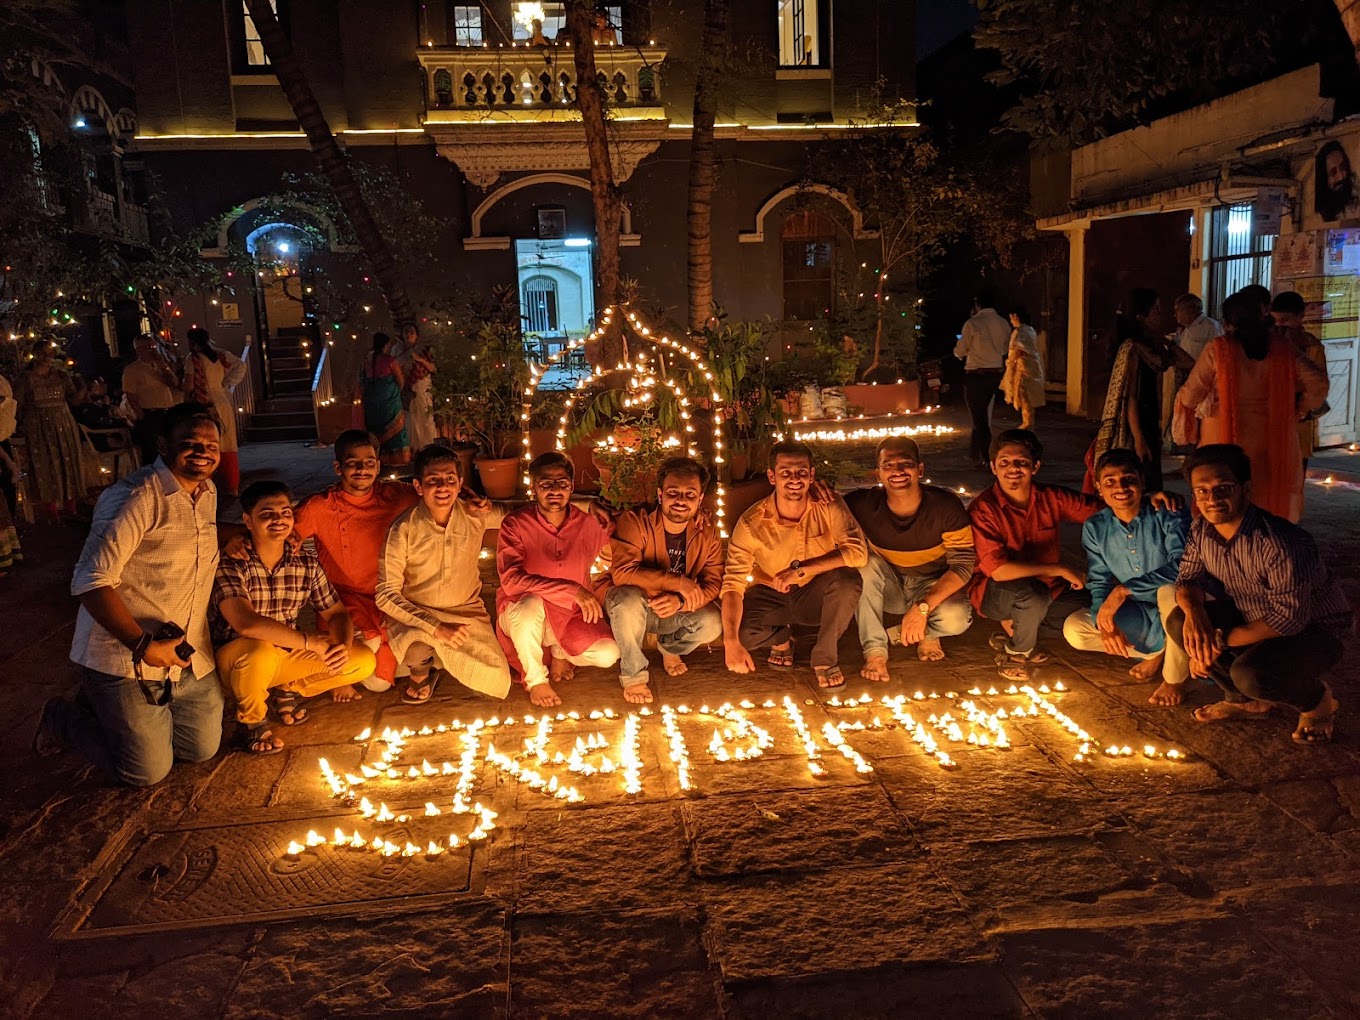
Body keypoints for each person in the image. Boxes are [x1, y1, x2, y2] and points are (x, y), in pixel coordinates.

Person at [34, 403, 225, 786]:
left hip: (186, 655)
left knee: (199, 749)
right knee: (145, 771)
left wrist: (234, 534)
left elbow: (188, 537)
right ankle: (65, 717)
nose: (203, 452)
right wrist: (142, 644)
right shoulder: (135, 496)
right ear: (163, 445)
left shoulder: (206, 492)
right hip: (125, 657)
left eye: (211, 445)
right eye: (190, 443)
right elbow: (90, 579)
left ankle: (126, 717)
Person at [1169, 444, 1353, 743]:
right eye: (1201, 491)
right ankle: (1244, 701)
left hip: (1316, 630)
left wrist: (1214, 641)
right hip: (1252, 613)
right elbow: (1188, 578)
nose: (1211, 500)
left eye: (1223, 488)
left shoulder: (1280, 541)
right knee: (1180, 621)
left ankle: (1317, 702)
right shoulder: (1202, 528)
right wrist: (1194, 615)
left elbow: (1289, 620)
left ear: (1245, 489)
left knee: (1251, 673)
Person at [212, 481, 375, 753]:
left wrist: (342, 649)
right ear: (247, 521)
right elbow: (246, 623)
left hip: (287, 654)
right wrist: (312, 643)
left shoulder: (305, 563)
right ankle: (251, 723)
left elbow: (336, 613)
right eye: (267, 513)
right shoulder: (231, 563)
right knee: (258, 652)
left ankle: (287, 687)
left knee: (362, 660)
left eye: (286, 512)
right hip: (238, 660)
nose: (279, 519)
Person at [721, 440, 867, 689]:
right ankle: (781, 639)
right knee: (742, 634)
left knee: (847, 581)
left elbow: (858, 553)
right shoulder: (750, 522)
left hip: (814, 594)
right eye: (785, 472)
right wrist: (730, 642)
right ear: (772, 476)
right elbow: (733, 584)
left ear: (811, 475)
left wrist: (800, 570)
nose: (794, 479)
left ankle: (824, 658)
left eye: (801, 472)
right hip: (773, 593)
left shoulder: (828, 505)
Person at [1174, 290, 1329, 522]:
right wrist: (1298, 410)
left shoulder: (1219, 349)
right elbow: (1318, 383)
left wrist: (1185, 425)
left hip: (1222, 438)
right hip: (1271, 437)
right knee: (1265, 495)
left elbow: (1190, 395)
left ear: (1227, 323)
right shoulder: (1282, 348)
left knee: (1225, 494)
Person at [376, 444, 513, 704]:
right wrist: (436, 627)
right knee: (416, 649)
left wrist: (589, 507)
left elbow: (522, 513)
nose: (442, 487)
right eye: (433, 481)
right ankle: (420, 672)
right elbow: (385, 596)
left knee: (497, 678)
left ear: (460, 483)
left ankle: (442, 657)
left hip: (465, 610)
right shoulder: (402, 530)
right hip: (418, 613)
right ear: (418, 486)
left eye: (450, 479)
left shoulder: (475, 514)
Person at [292, 428, 420, 693]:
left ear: (378, 465)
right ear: (338, 468)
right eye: (353, 464)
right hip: (343, 603)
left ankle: (371, 661)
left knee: (381, 682)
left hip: (389, 597)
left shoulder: (395, 495)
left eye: (369, 463)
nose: (362, 470)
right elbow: (280, 533)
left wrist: (472, 499)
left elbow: (436, 487)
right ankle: (335, 677)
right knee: (371, 667)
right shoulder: (319, 507)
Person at [969, 429, 1102, 681]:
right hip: (996, 592)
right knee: (1032, 595)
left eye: (1022, 463)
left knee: (1094, 601)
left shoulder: (1051, 497)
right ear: (993, 467)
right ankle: (1016, 651)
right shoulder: (984, 509)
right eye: (1004, 463)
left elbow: (1100, 512)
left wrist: (1149, 502)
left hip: (1049, 590)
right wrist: (1059, 569)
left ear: (1035, 467)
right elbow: (999, 570)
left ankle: (1021, 629)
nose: (1013, 469)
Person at [1061, 448, 1191, 705]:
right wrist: (1104, 619)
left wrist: (1123, 590)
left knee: (1170, 592)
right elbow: (1098, 580)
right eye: (1110, 481)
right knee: (1075, 629)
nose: (1120, 487)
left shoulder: (1166, 511)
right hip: (1138, 612)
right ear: (1099, 487)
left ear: (1142, 481)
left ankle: (1174, 678)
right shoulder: (1096, 526)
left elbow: (1183, 566)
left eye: (1128, 479)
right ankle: (1159, 650)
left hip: (1178, 607)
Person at [496, 452, 618, 707]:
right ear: (533, 487)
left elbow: (620, 536)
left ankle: (561, 651)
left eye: (561, 483)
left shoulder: (590, 522)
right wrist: (571, 590)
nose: (554, 490)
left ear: (571, 486)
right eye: (545, 483)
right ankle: (536, 679)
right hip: (524, 613)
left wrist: (591, 504)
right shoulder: (515, 524)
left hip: (569, 614)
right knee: (531, 605)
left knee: (609, 654)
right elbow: (511, 581)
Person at [846, 437, 974, 677]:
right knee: (865, 565)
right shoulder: (862, 505)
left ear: (920, 469)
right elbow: (825, 511)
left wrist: (923, 608)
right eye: (888, 465)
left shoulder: (945, 506)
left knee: (957, 618)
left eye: (906, 463)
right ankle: (875, 652)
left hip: (930, 585)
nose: (898, 471)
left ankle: (927, 633)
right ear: (878, 473)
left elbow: (963, 566)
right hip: (890, 586)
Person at [604, 457, 724, 704]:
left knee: (712, 622)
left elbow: (714, 583)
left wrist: (681, 602)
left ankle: (669, 648)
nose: (681, 500)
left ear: (700, 500)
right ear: (660, 494)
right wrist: (678, 583)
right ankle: (634, 676)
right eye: (673, 492)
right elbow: (623, 574)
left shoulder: (707, 532)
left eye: (690, 494)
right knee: (626, 598)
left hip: (672, 609)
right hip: (632, 606)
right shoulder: (635, 521)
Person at [1092, 288, 1192, 493]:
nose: (1160, 315)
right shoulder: (1134, 349)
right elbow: (1131, 397)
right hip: (1136, 426)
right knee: (1141, 483)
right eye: (1155, 310)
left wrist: (1164, 341)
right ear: (1141, 317)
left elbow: (1187, 362)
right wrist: (1138, 438)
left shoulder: (1150, 348)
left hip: (1148, 421)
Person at [16, 343, 85, 519]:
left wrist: (84, 389)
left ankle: (71, 508)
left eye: (50, 353)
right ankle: (51, 511)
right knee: (45, 464)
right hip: (38, 427)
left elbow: (74, 401)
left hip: (63, 424)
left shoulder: (60, 376)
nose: (47, 357)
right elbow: (18, 404)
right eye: (43, 353)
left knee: (67, 461)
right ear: (35, 355)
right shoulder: (26, 379)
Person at [181, 327, 247, 497]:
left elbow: (189, 386)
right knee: (228, 444)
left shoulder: (193, 359)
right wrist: (225, 383)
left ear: (192, 342)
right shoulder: (220, 355)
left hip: (203, 404)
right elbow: (241, 365)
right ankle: (232, 485)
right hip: (223, 402)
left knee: (205, 443)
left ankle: (207, 484)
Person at [1270, 291, 1329, 468]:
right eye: (1275, 321)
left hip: (1299, 419)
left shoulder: (1311, 345)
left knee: (1295, 471)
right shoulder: (1269, 343)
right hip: (1271, 417)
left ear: (1300, 316)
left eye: (1286, 320)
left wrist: (1301, 410)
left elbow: (1318, 385)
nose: (1280, 326)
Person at [954, 290, 1012, 469]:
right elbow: (1004, 349)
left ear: (978, 305)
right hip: (995, 374)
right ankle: (975, 452)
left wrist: (958, 353)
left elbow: (961, 349)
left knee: (979, 418)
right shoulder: (1003, 323)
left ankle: (988, 457)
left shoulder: (973, 323)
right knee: (980, 415)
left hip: (976, 375)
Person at [1163, 294, 1221, 443]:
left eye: (1179, 310)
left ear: (1192, 309)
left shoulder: (1209, 327)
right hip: (1185, 378)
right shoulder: (1187, 329)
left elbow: (1213, 359)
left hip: (1201, 380)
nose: (1176, 315)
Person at [122, 334, 183, 467]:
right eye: (149, 347)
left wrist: (164, 367)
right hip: (150, 414)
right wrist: (142, 417)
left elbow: (174, 383)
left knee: (170, 450)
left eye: (155, 346)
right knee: (153, 453)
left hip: (167, 412)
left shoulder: (160, 367)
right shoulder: (132, 370)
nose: (153, 350)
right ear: (139, 349)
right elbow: (131, 396)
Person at [359, 332, 409, 468]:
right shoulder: (390, 360)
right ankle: (398, 463)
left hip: (371, 402)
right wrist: (393, 393)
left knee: (376, 430)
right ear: (386, 345)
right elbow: (400, 381)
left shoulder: (366, 360)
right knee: (395, 430)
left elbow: (363, 381)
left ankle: (377, 461)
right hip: (389, 402)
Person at [1000, 304, 1045, 430]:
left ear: (1015, 316)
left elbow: (1019, 350)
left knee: (1024, 394)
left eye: (1011, 317)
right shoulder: (1029, 330)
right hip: (1030, 367)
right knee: (1026, 394)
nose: (1010, 320)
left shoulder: (1020, 331)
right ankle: (1028, 420)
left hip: (1023, 368)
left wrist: (1009, 361)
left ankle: (1027, 422)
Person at [399, 322, 437, 452]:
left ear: (417, 335)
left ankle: (429, 447)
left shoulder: (423, 350)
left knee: (425, 416)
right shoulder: (398, 350)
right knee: (411, 418)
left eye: (412, 332)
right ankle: (414, 449)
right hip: (406, 388)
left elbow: (433, 368)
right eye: (406, 332)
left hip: (422, 386)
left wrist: (420, 360)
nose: (409, 334)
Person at [1314, 140, 1357, 223]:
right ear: (1323, 179)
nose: (1341, 177)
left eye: (1343, 167)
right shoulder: (1317, 217)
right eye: (1333, 173)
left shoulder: (1355, 202)